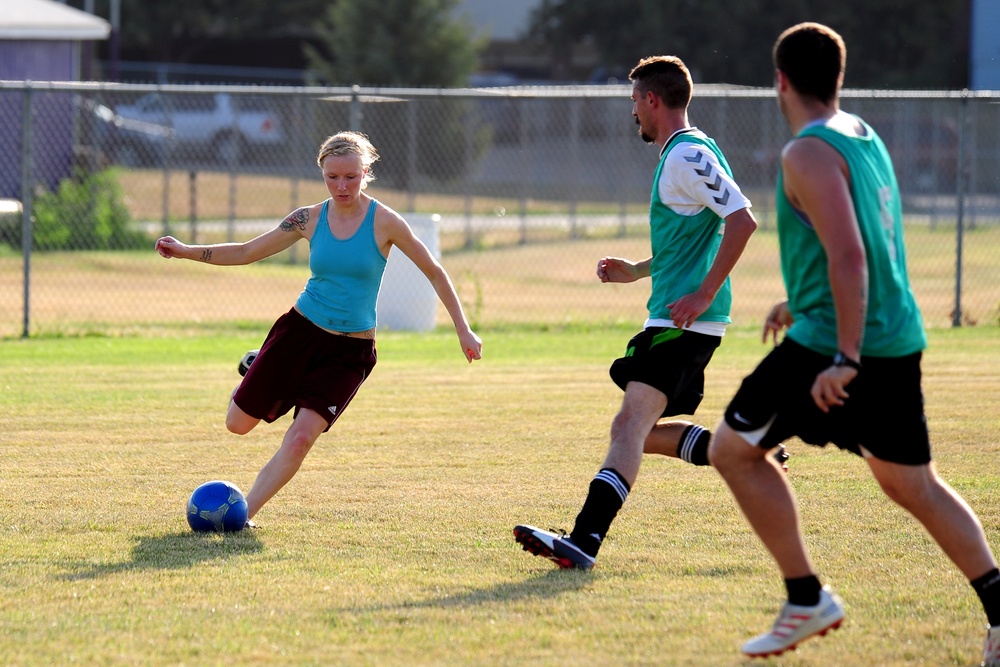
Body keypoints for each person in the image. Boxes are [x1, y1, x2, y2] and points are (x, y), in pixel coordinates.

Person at [707, 23, 1000, 664]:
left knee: (733, 449)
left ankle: (806, 596)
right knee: (911, 484)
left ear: (780, 80)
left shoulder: (804, 153)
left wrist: (844, 355)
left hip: (839, 345)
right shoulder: (860, 134)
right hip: (895, 336)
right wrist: (803, 298)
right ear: (837, 77)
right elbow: (859, 241)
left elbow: (850, 253)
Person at [513, 54, 782, 569]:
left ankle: (585, 540)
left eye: (634, 100)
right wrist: (637, 271)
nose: (632, 110)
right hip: (675, 317)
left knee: (629, 426)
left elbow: (743, 222)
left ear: (652, 100)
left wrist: (704, 293)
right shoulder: (683, 155)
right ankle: (741, 447)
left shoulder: (686, 154)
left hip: (683, 322)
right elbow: (692, 238)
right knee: (639, 432)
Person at [155, 131, 483, 526]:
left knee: (300, 438)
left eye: (350, 176)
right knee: (237, 425)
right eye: (332, 177)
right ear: (322, 173)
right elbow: (246, 251)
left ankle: (242, 518)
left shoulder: (386, 222)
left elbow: (434, 271)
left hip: (349, 354)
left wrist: (463, 329)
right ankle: (256, 369)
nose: (341, 186)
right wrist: (186, 251)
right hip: (299, 333)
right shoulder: (309, 218)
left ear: (366, 172)